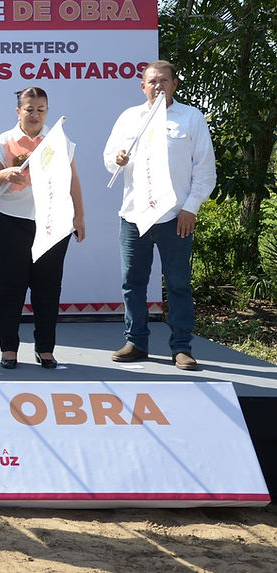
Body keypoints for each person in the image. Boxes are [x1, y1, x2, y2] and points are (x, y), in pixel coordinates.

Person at [103, 59, 216, 371]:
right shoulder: (129, 118)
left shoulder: (191, 118)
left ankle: (181, 347)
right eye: (152, 82)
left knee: (178, 283)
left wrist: (191, 207)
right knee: (132, 282)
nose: (158, 86)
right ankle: (136, 342)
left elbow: (205, 171)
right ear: (143, 86)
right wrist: (118, 159)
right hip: (134, 215)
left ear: (174, 84)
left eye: (164, 81)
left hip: (175, 217)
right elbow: (109, 159)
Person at [0, 87, 85, 369]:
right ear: (18, 111)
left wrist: (79, 217)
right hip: (10, 222)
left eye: (41, 110)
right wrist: (5, 173)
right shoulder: (5, 140)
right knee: (10, 287)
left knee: (47, 288)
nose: (35, 115)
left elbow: (72, 179)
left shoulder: (57, 140)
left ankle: (45, 348)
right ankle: (8, 349)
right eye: (29, 109)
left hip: (52, 223)